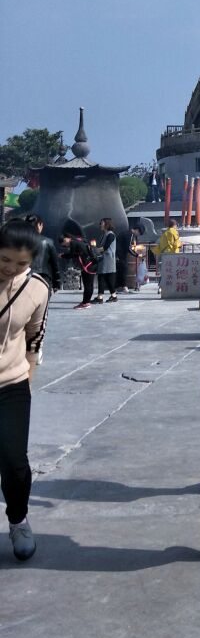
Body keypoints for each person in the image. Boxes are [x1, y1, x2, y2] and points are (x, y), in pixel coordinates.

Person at [0, 220, 49, 561]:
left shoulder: (37, 289)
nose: (11, 269)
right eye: (4, 260)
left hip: (12, 384)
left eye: (20, 263)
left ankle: (18, 519)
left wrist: (28, 375)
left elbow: (35, 335)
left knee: (15, 463)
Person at [58, 223, 98, 309]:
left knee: (87, 284)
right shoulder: (79, 239)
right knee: (89, 284)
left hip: (87, 265)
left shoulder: (73, 242)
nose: (65, 245)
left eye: (64, 243)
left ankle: (85, 303)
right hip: (92, 263)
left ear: (66, 238)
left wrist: (62, 255)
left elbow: (72, 255)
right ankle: (86, 301)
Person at [24, 215, 61, 294]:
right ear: (39, 225)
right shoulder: (48, 242)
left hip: (24, 278)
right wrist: (57, 283)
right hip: (43, 279)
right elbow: (55, 264)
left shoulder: (19, 241)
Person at [94, 217, 118, 303]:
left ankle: (100, 297)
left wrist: (94, 250)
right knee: (107, 278)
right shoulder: (103, 235)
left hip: (108, 259)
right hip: (104, 259)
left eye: (102, 223)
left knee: (103, 278)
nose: (100, 225)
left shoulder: (110, 234)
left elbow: (105, 247)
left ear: (107, 224)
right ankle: (113, 296)